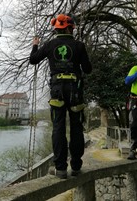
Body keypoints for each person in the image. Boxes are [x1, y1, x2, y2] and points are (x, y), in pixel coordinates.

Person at [29, 13, 92, 178]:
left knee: (58, 127)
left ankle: (61, 168)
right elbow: (87, 69)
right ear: (71, 28)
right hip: (74, 91)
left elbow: (33, 60)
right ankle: (76, 167)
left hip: (57, 90)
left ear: (56, 28)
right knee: (76, 128)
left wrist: (35, 45)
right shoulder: (79, 45)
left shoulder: (50, 45)